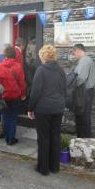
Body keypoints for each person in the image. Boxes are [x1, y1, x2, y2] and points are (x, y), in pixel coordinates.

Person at [28, 45, 66, 176]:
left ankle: (43, 168)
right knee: (55, 136)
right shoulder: (61, 70)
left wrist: (30, 108)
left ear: (43, 56)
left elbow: (35, 92)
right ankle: (54, 167)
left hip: (44, 109)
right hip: (58, 107)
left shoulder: (41, 70)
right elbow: (64, 89)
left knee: (43, 138)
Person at [0, 46, 26, 145]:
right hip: (15, 95)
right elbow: (22, 82)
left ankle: (4, 134)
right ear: (15, 54)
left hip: (4, 95)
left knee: (5, 116)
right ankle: (10, 139)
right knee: (12, 117)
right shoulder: (18, 66)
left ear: (5, 54)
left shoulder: (0, 66)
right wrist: (23, 94)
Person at [72, 44, 95, 138]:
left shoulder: (84, 61)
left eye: (74, 53)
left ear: (78, 51)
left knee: (83, 117)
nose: (74, 55)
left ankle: (83, 140)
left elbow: (80, 79)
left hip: (84, 92)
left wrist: (71, 86)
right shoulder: (87, 60)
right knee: (84, 115)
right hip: (87, 92)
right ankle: (84, 140)